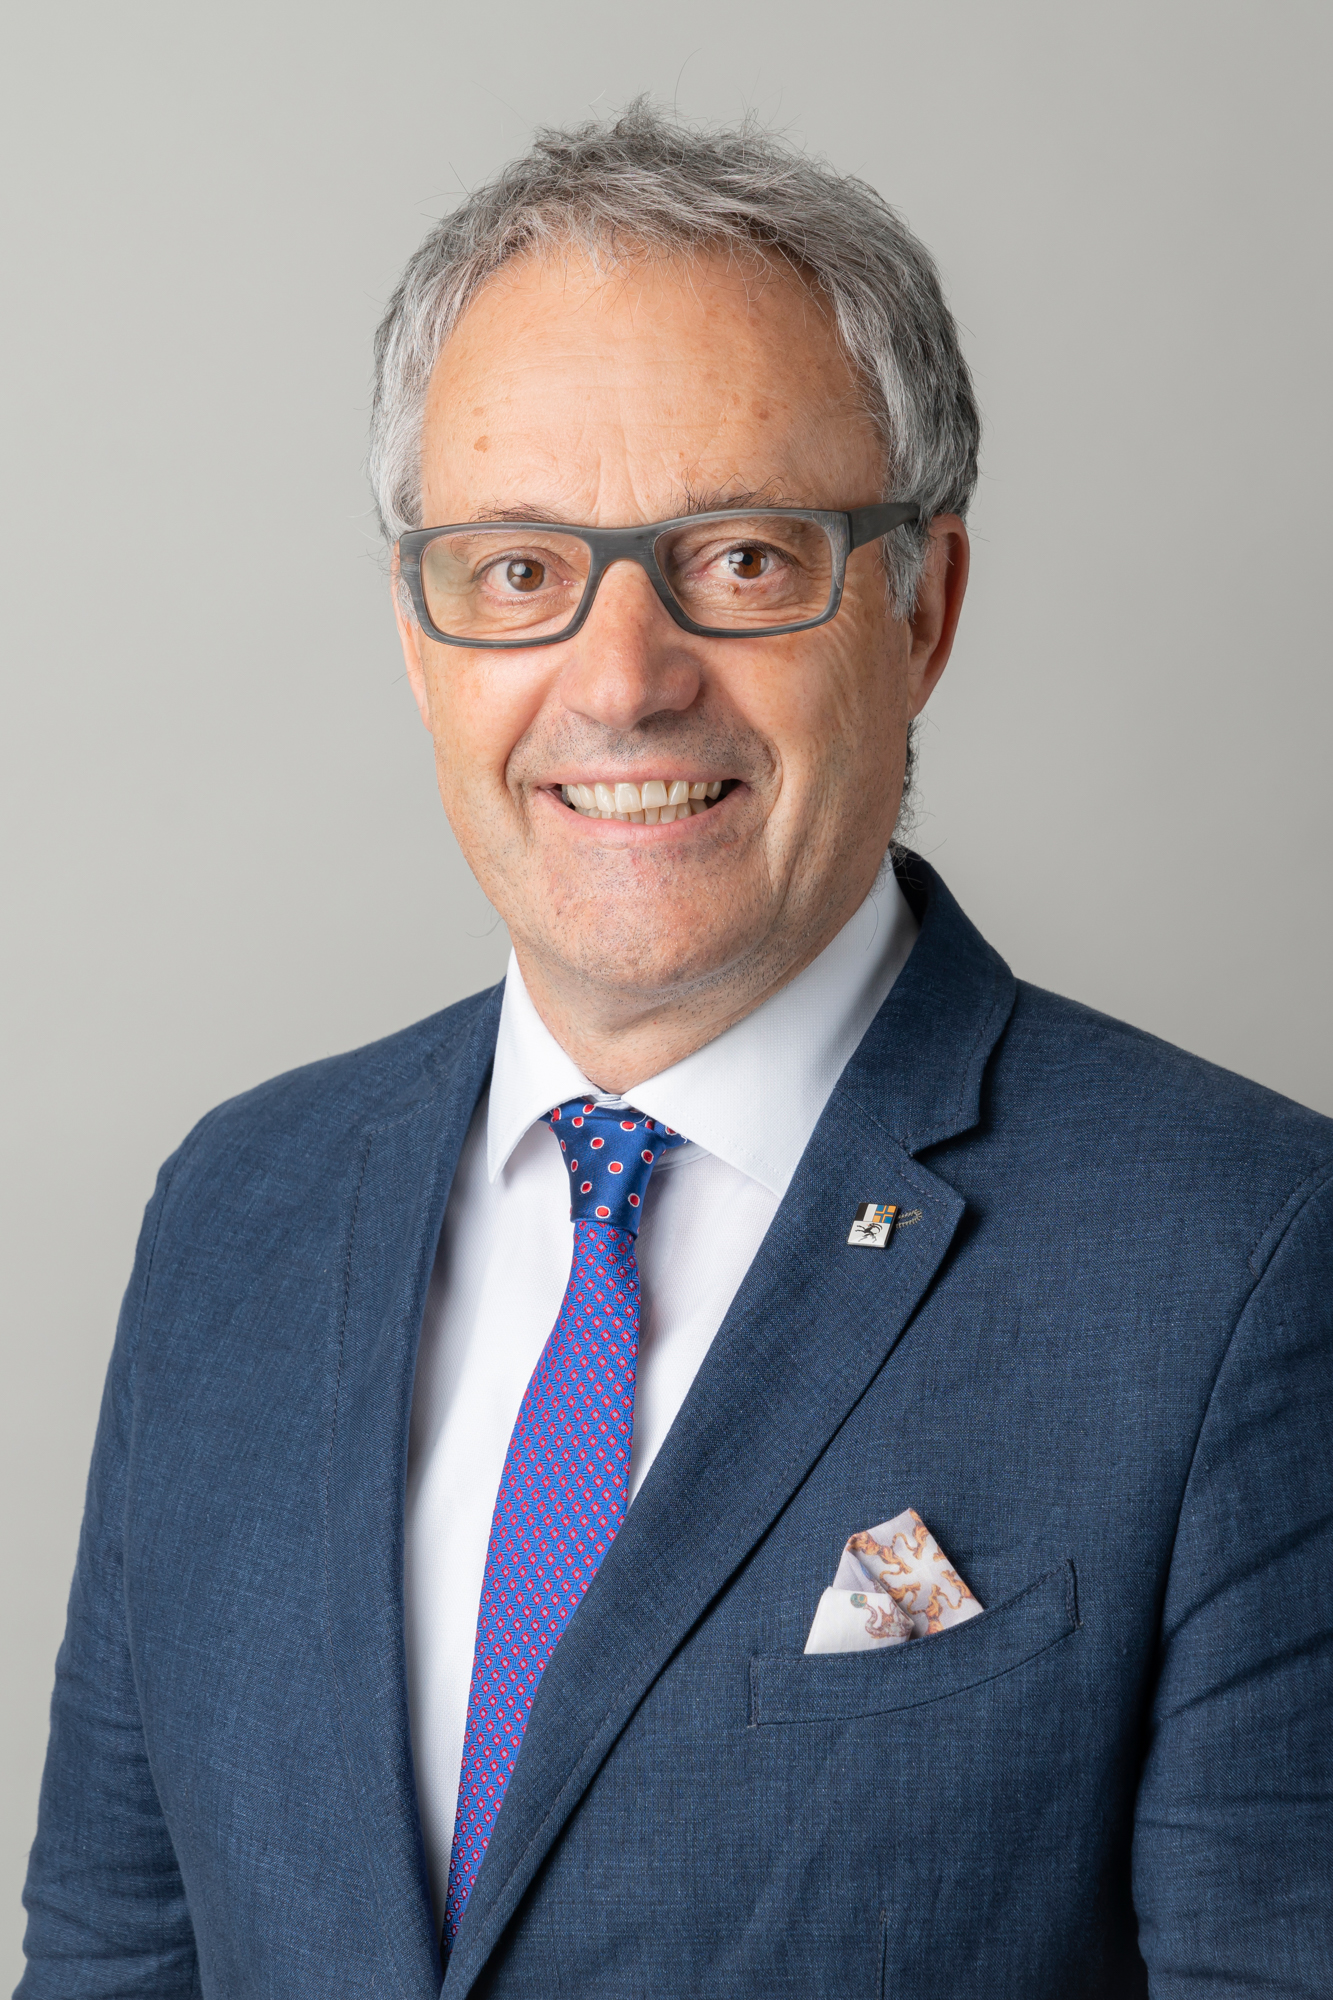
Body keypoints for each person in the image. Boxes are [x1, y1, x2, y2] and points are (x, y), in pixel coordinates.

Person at [18, 104, 1333, 2000]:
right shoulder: (239, 1210)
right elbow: (113, 1953)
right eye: (516, 571)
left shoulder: (1243, 1260)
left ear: (922, 610)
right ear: (418, 638)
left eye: (738, 557)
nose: (622, 679)